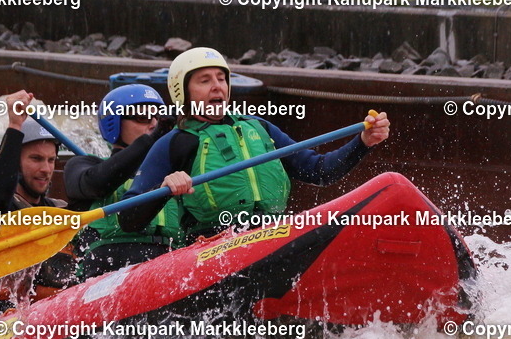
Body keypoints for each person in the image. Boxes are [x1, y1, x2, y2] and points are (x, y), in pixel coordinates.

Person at [117, 47, 391, 241]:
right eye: (205, 80)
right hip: (213, 243)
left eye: (221, 78)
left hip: (270, 234)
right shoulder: (176, 142)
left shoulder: (260, 128)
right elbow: (128, 219)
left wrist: (363, 142)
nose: (218, 87)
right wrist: (165, 188)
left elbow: (319, 171)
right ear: (184, 93)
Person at [0, 89, 77, 315]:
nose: (46, 169)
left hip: (54, 317)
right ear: (16, 162)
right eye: (36, 159)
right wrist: (14, 127)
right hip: (3, 317)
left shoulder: (61, 211)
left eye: (51, 160)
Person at [63, 84, 180, 280]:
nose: (153, 124)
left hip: (167, 269)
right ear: (114, 123)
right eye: (143, 117)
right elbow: (99, 182)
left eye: (158, 118)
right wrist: (153, 139)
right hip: (104, 274)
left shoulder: (175, 174)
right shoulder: (82, 166)